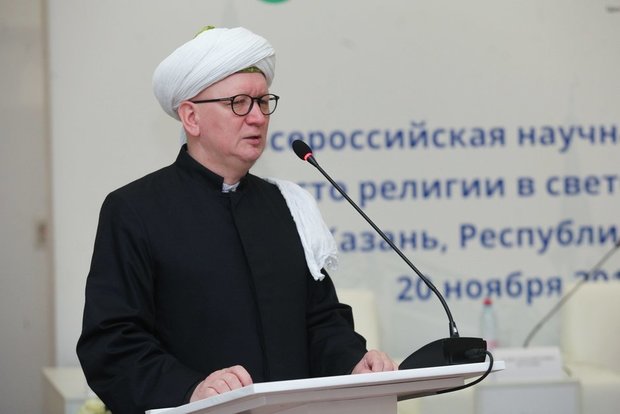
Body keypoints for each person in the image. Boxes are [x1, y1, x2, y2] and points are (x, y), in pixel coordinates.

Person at [76, 26, 397, 414]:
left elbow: (321, 321)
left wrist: (353, 362)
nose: (258, 118)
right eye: (239, 103)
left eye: (263, 102)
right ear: (191, 117)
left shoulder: (287, 206)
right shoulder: (135, 210)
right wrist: (190, 389)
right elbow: (111, 344)